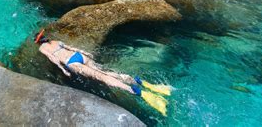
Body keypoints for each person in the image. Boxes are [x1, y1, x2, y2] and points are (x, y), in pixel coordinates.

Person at [34, 29, 171, 116]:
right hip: (79, 55)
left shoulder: (42, 49)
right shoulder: (56, 41)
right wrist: (85, 53)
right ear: (45, 36)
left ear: (38, 42)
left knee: (103, 77)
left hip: (72, 63)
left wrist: (64, 70)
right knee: (105, 71)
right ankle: (142, 82)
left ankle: (137, 91)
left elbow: (53, 59)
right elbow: (72, 47)